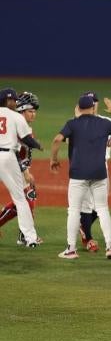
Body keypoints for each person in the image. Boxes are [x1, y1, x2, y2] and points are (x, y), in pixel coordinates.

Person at [50, 94, 111, 259]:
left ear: (78, 108)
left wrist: (53, 159)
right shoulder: (104, 123)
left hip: (78, 174)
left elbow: (57, 140)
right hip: (100, 173)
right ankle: (110, 248)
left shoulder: (72, 124)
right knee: (103, 209)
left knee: (74, 211)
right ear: (93, 108)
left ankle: (71, 250)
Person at [77, 91, 111, 253]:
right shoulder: (78, 122)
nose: (93, 104)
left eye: (95, 101)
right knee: (87, 206)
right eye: (90, 102)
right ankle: (88, 238)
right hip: (83, 168)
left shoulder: (106, 122)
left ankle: (82, 226)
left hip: (102, 168)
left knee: (98, 206)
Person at [0, 88, 41, 247]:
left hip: (12, 164)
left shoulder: (18, 123)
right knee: (26, 196)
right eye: (31, 110)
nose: (34, 114)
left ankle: (25, 235)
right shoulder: (17, 124)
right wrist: (25, 171)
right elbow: (16, 152)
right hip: (12, 164)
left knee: (24, 198)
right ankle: (26, 236)